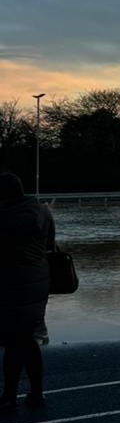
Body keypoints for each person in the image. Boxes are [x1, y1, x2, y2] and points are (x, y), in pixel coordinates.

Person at [0, 171, 54, 410]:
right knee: (26, 340)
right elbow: (50, 245)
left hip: (13, 285)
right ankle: (35, 392)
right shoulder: (42, 211)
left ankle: (9, 397)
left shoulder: (6, 217)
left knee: (14, 342)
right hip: (37, 283)